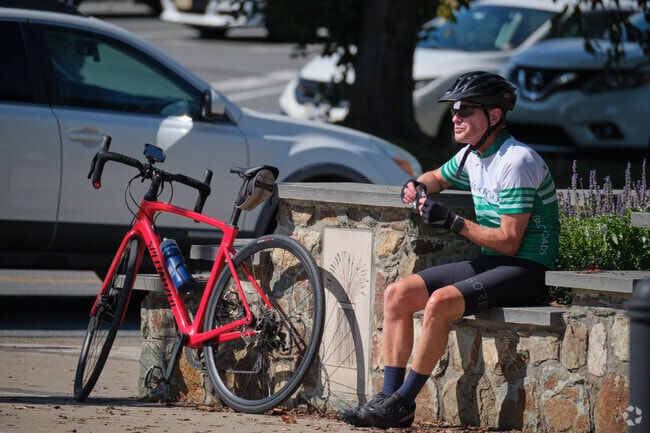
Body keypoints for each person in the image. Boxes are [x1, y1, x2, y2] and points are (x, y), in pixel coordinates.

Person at [338, 71, 560, 429]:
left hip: (526, 269)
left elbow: (509, 241)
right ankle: (388, 397)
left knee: (440, 302)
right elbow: (437, 177)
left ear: (494, 116)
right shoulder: (474, 155)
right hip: (493, 264)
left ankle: (402, 403)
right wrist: (416, 185)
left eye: (466, 110)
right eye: (455, 109)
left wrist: (453, 221)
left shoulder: (516, 161)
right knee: (397, 293)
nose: (455, 117)